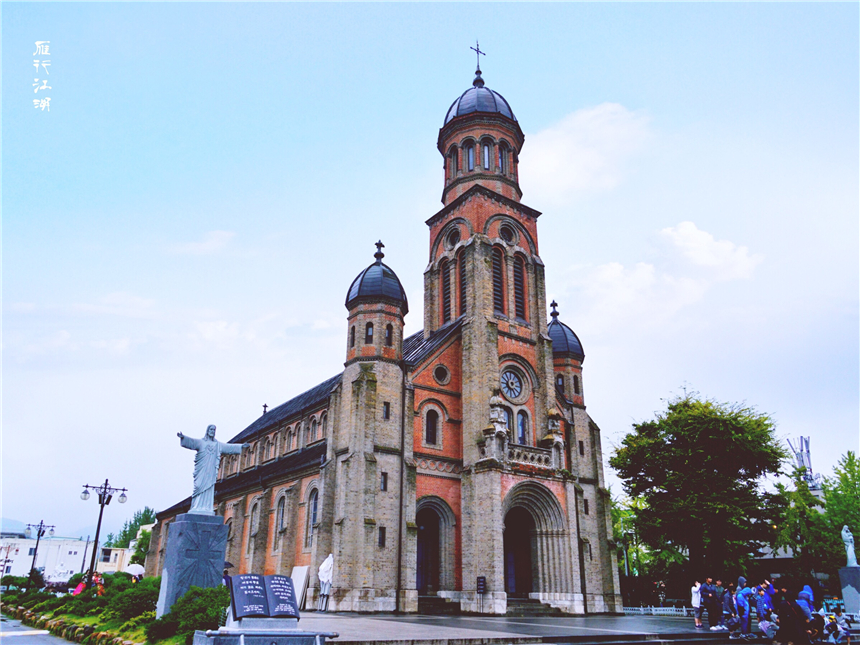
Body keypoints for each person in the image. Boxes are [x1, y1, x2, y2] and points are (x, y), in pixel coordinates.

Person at [177, 425, 249, 515]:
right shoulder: (201, 442)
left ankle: (206, 507)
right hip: (202, 470)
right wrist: (183, 437)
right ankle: (197, 506)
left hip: (210, 471)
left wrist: (241, 446)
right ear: (207, 430)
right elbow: (192, 442)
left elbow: (229, 447)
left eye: (214, 430)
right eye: (211, 429)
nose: (212, 431)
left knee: (209, 488)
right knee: (199, 486)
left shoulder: (217, 445)